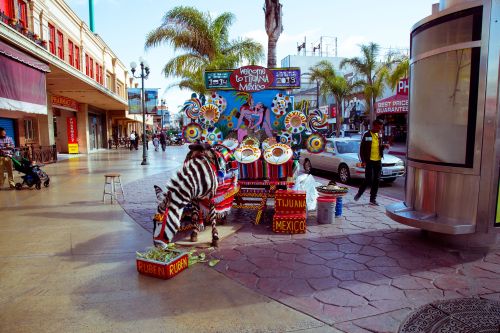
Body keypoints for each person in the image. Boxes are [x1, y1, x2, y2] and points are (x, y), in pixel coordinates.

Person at [354, 119, 388, 206]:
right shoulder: (367, 135)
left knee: (377, 180)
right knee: (368, 179)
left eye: (381, 128)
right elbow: (362, 149)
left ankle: (373, 199)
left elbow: (379, 146)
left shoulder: (379, 135)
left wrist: (384, 146)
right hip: (369, 161)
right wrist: (363, 161)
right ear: (374, 126)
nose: (379, 130)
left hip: (378, 161)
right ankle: (359, 193)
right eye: (378, 128)